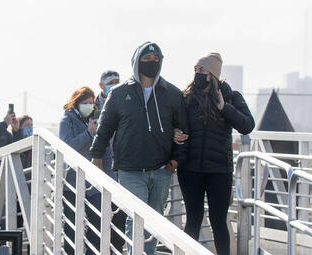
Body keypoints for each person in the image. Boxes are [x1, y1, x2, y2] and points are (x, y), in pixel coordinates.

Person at [90, 41, 188, 255]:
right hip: (130, 171)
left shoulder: (172, 93)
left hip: (162, 170)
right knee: (136, 220)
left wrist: (175, 162)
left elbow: (183, 129)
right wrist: (96, 156)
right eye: (146, 60)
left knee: (155, 223)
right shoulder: (118, 93)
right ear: (136, 62)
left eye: (156, 60)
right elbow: (105, 128)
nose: (152, 63)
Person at [173, 53, 255, 255]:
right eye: (195, 70)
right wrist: (173, 133)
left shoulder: (231, 96)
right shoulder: (186, 97)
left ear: (213, 74)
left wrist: (224, 108)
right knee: (193, 218)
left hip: (219, 170)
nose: (197, 74)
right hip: (190, 169)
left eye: (202, 70)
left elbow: (247, 126)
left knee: (219, 220)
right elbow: (173, 123)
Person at [59, 86, 123, 254]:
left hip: (95, 182)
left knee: (98, 223)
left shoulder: (99, 119)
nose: (88, 106)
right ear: (76, 103)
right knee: (72, 227)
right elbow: (67, 147)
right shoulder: (67, 120)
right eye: (84, 103)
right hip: (73, 183)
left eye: (90, 103)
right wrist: (88, 134)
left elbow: (107, 150)